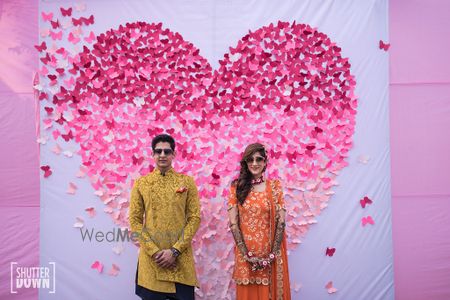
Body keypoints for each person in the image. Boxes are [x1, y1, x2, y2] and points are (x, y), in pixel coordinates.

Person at [129, 134, 201, 300]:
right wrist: (154, 252)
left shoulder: (186, 182)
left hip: (180, 259)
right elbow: (135, 220)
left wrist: (175, 251)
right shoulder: (141, 183)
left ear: (173, 154)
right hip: (152, 261)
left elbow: (194, 217)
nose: (162, 155)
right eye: (158, 151)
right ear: (153, 154)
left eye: (167, 151)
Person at [227, 143, 291, 300]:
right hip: (245, 257)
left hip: (271, 257)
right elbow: (233, 224)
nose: (254, 164)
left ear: (265, 162)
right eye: (250, 159)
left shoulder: (275, 187)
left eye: (259, 159)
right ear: (245, 162)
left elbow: (281, 223)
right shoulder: (237, 187)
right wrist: (246, 255)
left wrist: (271, 256)